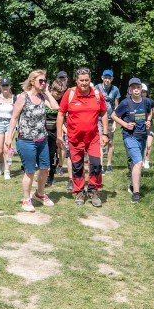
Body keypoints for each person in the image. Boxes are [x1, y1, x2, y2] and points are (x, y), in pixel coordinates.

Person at [9, 69, 60, 211]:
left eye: (45, 81)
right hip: (26, 140)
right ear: (32, 82)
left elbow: (56, 107)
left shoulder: (43, 97)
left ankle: (40, 193)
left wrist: (48, 92)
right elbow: (14, 117)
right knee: (30, 171)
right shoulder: (23, 97)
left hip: (42, 139)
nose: (43, 83)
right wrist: (9, 136)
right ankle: (26, 200)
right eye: (41, 81)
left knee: (45, 168)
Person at [57, 67, 109, 207]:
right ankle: (79, 191)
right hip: (75, 137)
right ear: (76, 80)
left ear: (90, 80)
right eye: (81, 80)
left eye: (86, 80)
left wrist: (105, 133)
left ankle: (93, 190)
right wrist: (59, 135)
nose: (84, 83)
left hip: (93, 137)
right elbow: (61, 114)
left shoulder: (97, 94)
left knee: (96, 164)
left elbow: (104, 113)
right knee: (77, 166)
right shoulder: (70, 93)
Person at [112, 77, 154, 203]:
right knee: (138, 162)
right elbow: (114, 115)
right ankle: (136, 193)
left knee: (136, 163)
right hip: (129, 136)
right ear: (130, 89)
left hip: (142, 136)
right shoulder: (126, 103)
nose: (136, 90)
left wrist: (148, 121)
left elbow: (149, 112)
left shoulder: (147, 102)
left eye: (138, 87)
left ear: (141, 89)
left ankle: (132, 186)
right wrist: (125, 125)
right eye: (133, 88)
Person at [0, 77, 17, 179]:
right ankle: (1, 162)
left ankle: (7, 171)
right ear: (0, 86)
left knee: (7, 149)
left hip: (10, 124)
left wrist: (16, 127)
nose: (5, 87)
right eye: (3, 85)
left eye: (7, 85)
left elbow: (16, 115)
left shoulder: (14, 98)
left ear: (10, 86)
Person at [46, 71, 69, 183]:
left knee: (53, 154)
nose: (58, 95)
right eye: (56, 93)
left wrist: (65, 130)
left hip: (55, 130)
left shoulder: (63, 101)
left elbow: (62, 119)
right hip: (43, 129)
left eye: (61, 93)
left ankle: (51, 175)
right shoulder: (45, 97)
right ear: (52, 90)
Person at [97, 69, 121, 171]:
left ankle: (109, 164)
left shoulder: (115, 90)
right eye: (105, 77)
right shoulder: (96, 88)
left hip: (111, 118)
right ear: (102, 77)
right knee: (100, 141)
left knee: (110, 142)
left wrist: (115, 122)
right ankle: (101, 165)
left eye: (109, 78)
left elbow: (117, 107)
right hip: (98, 119)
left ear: (112, 79)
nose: (107, 79)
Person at [141, 84, 154, 169]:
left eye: (144, 92)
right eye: (141, 92)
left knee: (148, 145)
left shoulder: (150, 102)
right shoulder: (135, 102)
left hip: (149, 125)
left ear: (146, 93)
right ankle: (140, 160)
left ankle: (147, 162)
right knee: (141, 145)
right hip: (139, 126)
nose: (143, 93)